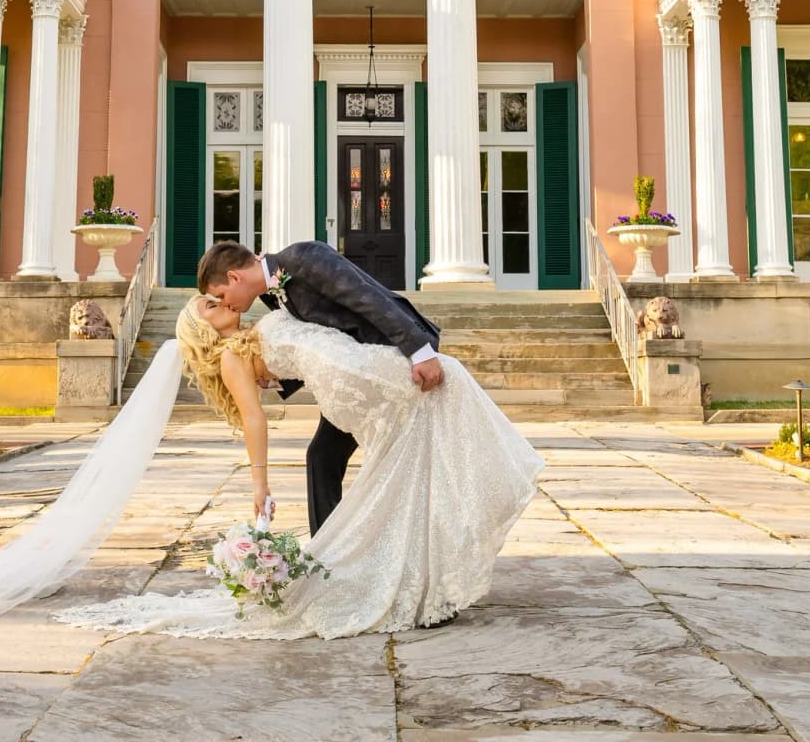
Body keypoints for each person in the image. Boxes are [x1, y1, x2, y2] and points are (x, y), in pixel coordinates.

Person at [55, 268, 542, 637]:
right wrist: (260, 484)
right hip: (368, 383)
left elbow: (328, 327)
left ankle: (403, 574)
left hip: (367, 371)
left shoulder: (259, 324)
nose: (215, 301)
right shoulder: (230, 356)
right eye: (206, 306)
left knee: (416, 465)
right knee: (407, 474)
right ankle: (398, 579)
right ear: (200, 332)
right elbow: (253, 418)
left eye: (214, 295)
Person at [198, 239, 442, 535]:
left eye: (222, 295)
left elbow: (366, 297)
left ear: (234, 277)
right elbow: (317, 340)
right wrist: (278, 379)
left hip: (388, 360)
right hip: (352, 377)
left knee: (382, 462)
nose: (225, 303)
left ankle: (361, 547)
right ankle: (327, 555)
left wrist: (420, 351)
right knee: (321, 457)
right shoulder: (273, 292)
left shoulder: (303, 257)